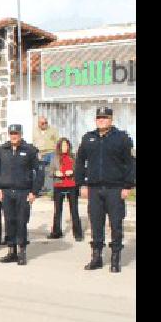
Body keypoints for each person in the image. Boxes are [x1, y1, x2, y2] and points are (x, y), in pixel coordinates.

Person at [76, 107, 135, 273]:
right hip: (94, 189)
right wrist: (82, 184)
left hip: (115, 189)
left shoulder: (122, 138)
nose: (101, 120)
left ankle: (115, 258)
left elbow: (130, 163)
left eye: (105, 117)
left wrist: (128, 186)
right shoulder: (88, 138)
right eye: (99, 117)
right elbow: (80, 162)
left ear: (111, 119)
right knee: (96, 224)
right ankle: (97, 257)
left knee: (116, 224)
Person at [0, 124, 43, 266]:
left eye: (16, 133)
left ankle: (22, 251)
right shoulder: (1, 150)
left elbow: (39, 172)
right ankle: (11, 251)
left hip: (23, 192)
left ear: (21, 134)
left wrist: (34, 192)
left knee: (21, 222)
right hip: (6, 192)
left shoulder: (30, 150)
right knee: (9, 221)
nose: (14, 136)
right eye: (12, 133)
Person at [47, 137, 83, 242]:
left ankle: (78, 233)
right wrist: (55, 173)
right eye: (63, 145)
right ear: (59, 147)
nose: (64, 147)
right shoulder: (55, 158)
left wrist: (72, 172)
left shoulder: (73, 158)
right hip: (59, 185)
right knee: (57, 210)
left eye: (66, 145)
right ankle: (56, 231)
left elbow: (79, 169)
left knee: (74, 210)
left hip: (71, 185)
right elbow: (50, 172)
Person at [33, 115, 60, 194]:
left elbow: (58, 142)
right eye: (42, 123)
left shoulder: (53, 130)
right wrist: (37, 153)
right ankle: (41, 188)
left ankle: (51, 190)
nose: (44, 124)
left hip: (51, 152)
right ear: (38, 123)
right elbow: (34, 143)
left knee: (51, 170)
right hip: (40, 153)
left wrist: (56, 152)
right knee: (40, 170)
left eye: (46, 123)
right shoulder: (35, 131)